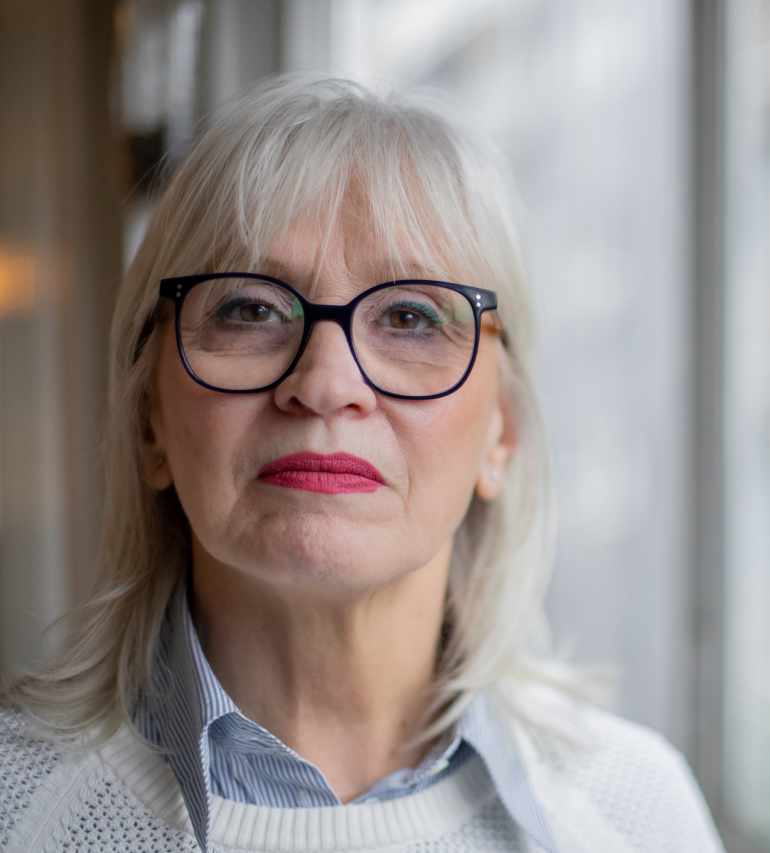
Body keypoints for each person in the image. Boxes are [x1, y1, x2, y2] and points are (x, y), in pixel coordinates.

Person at [0, 74, 724, 853]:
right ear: (151, 422)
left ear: (501, 431)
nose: (324, 385)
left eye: (411, 317)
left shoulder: (637, 811)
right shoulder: (17, 806)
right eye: (251, 309)